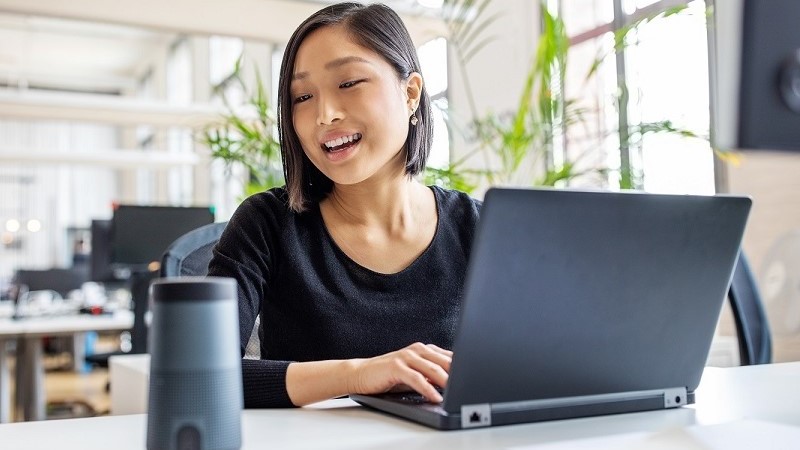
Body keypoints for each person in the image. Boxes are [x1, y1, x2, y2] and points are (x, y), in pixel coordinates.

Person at [208, 1, 481, 408]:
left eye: (349, 83)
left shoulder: (479, 227)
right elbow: (200, 373)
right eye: (302, 96)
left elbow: (542, 357)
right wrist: (359, 374)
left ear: (410, 93)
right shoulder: (265, 225)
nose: (325, 114)